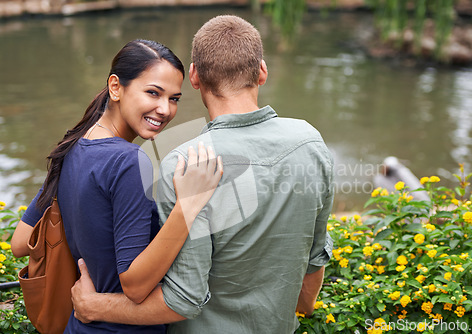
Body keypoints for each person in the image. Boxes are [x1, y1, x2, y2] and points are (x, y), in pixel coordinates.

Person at [71, 15, 334, 333]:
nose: (165, 108)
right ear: (262, 71)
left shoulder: (185, 164)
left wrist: (93, 306)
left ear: (193, 77)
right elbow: (312, 268)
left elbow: (183, 299)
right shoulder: (309, 141)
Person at [11, 39, 222, 333]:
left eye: (174, 99)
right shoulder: (128, 161)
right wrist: (189, 204)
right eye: (153, 93)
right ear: (115, 87)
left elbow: (21, 242)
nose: (165, 109)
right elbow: (134, 286)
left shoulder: (74, 145)